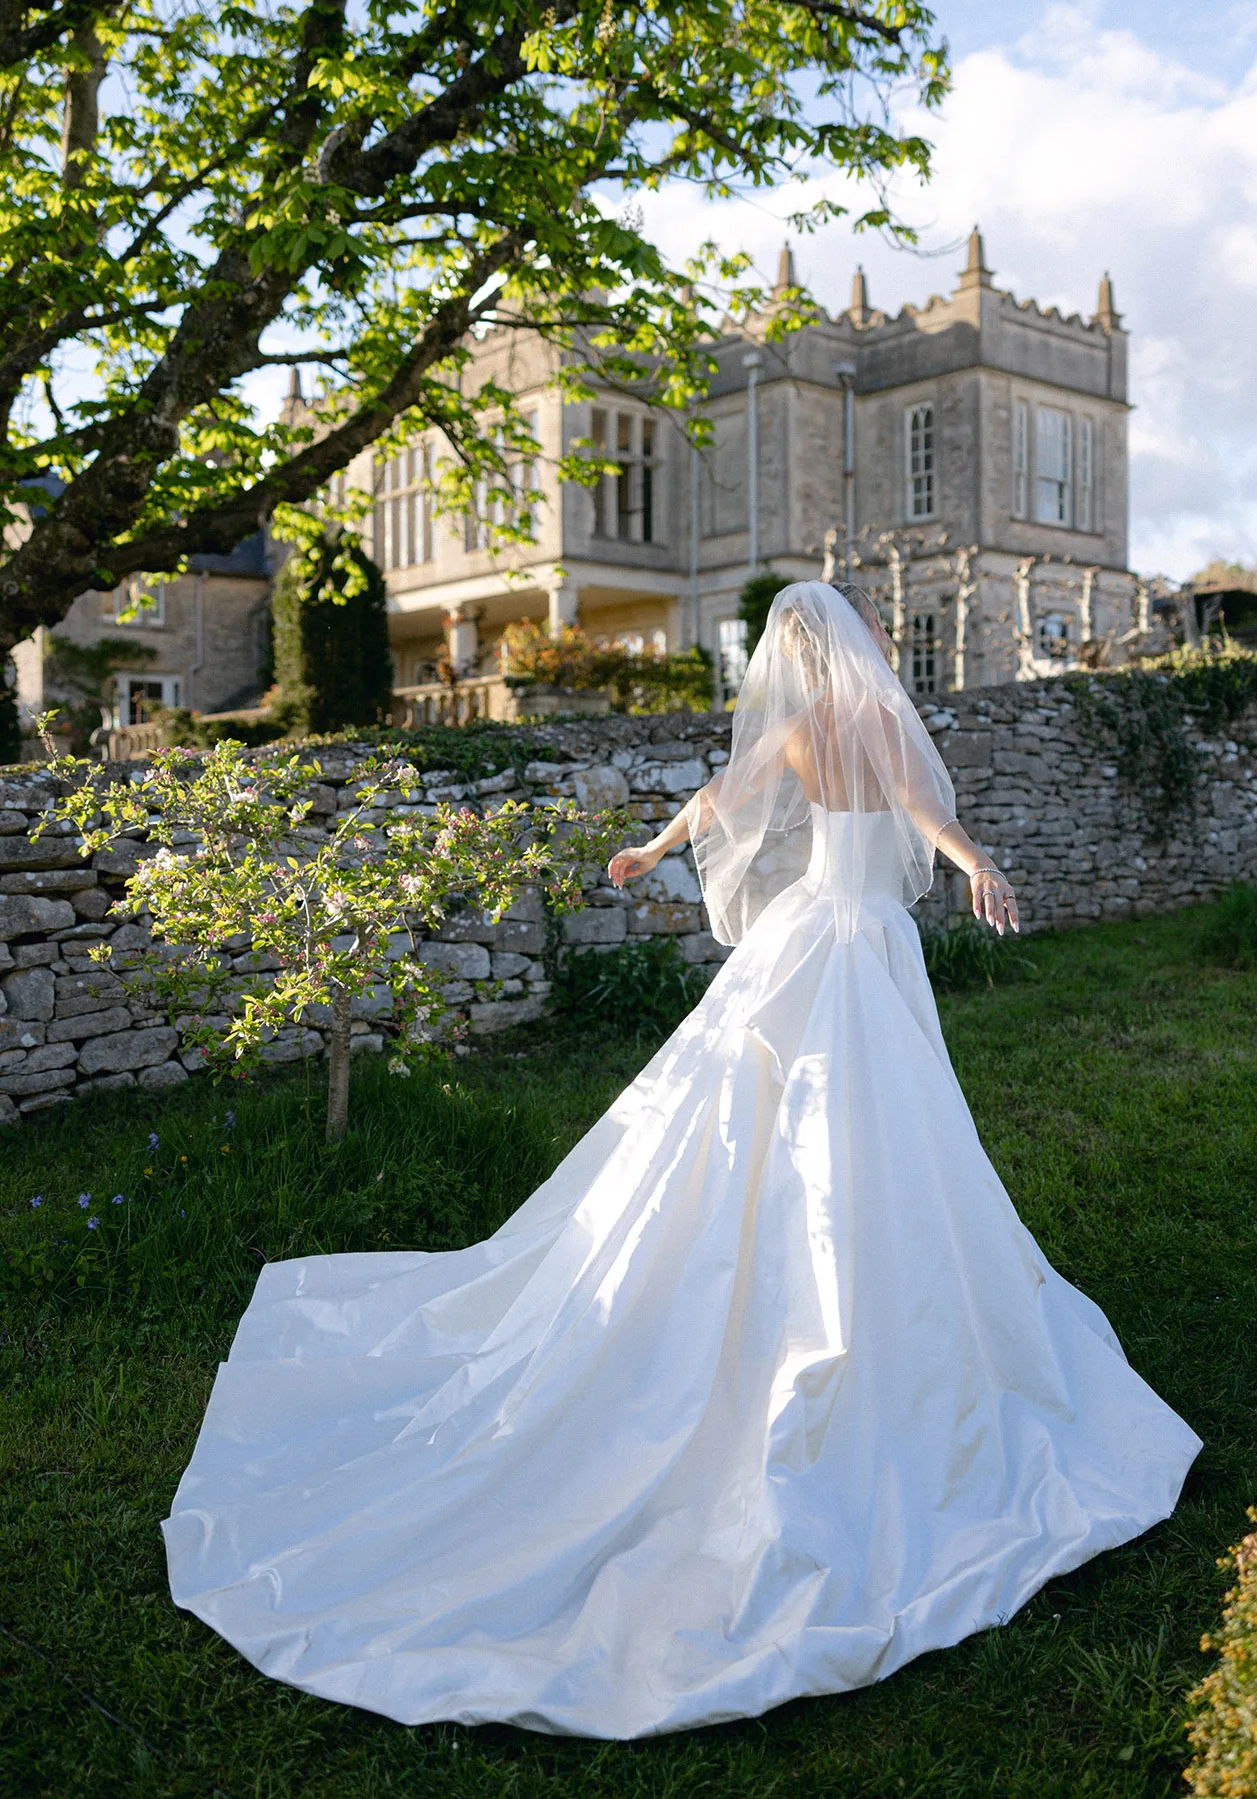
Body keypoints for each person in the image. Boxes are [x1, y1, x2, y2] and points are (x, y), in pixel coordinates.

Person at [164, 580, 1199, 1740]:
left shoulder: (807, 727)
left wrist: (655, 843)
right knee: (841, 1116)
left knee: (810, 1115)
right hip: (861, 940)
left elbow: (726, 799)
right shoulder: (880, 723)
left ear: (794, 654)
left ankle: (825, 1282)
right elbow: (918, 818)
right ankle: (848, 1292)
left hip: (812, 936)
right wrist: (975, 866)